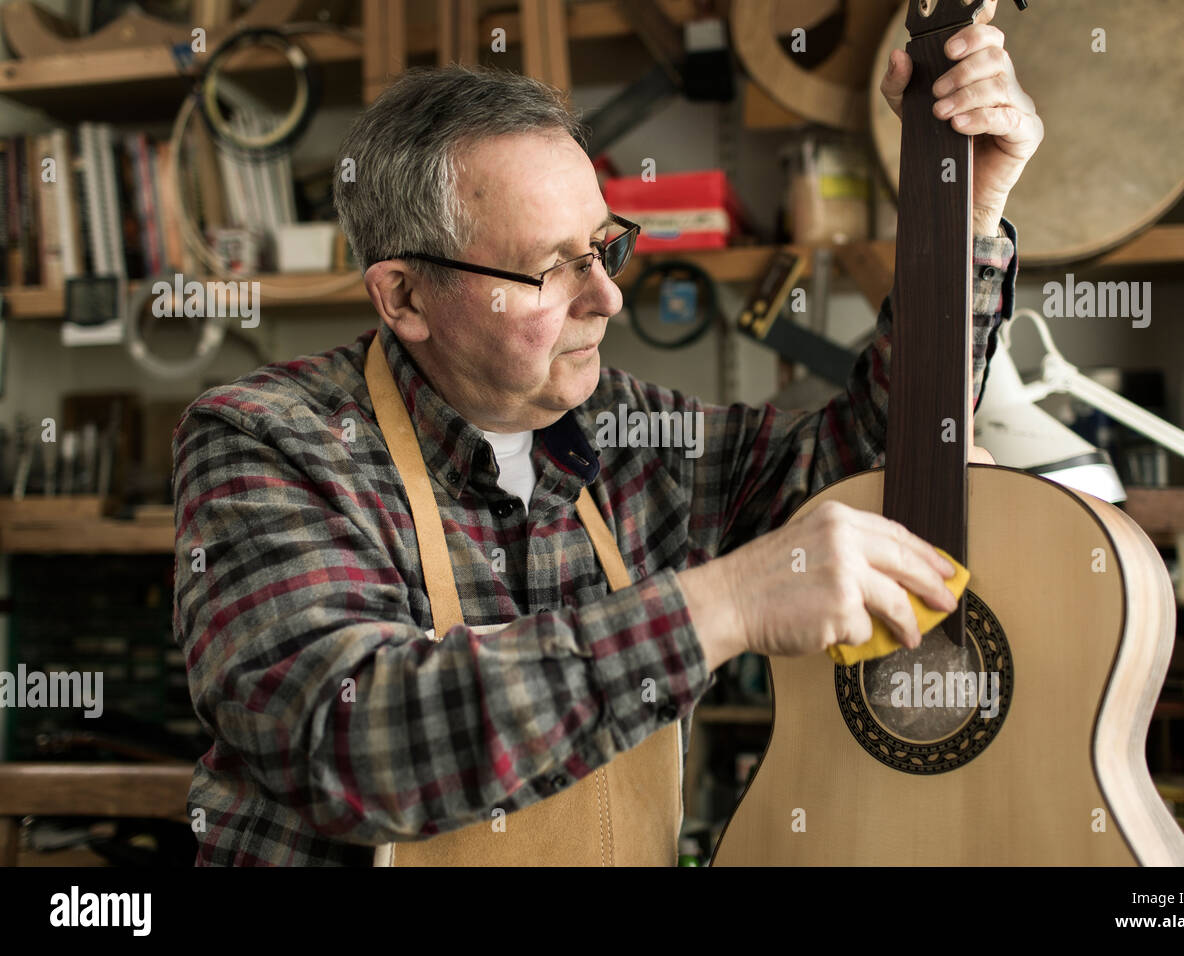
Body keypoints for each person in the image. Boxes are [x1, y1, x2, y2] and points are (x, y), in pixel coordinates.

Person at [172, 9, 1042, 865]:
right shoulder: (267, 443)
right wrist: (727, 604)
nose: (607, 298)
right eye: (553, 267)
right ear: (403, 298)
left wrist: (963, 208)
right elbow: (352, 745)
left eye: (604, 246)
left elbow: (876, 461)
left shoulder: (639, 438)